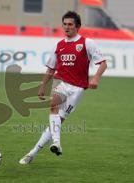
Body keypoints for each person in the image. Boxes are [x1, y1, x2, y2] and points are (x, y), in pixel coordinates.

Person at [19, 11, 107, 164]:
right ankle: (57, 143)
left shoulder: (87, 43)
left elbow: (103, 63)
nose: (67, 27)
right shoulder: (58, 45)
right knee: (53, 105)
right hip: (61, 83)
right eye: (64, 24)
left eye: (70, 24)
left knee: (58, 121)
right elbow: (51, 69)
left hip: (78, 89)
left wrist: (96, 79)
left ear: (77, 26)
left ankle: (33, 152)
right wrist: (42, 87)